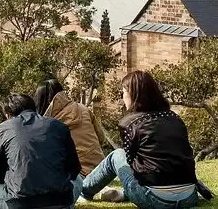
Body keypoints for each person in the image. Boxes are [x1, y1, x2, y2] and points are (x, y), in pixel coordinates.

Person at [80, 70, 199, 207]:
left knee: (117, 155)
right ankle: (125, 193)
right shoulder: (175, 118)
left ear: (133, 94)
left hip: (154, 199)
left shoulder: (129, 123)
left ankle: (84, 191)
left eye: (123, 92)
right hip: (189, 197)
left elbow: (131, 164)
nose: (122, 96)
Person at [0, 93, 82, 209]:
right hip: (60, 201)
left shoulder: (4, 128)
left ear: (8, 115)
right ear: (34, 108)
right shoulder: (58, 126)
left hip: (22, 203)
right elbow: (74, 168)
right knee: (79, 179)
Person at [34, 78, 106, 177]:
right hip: (101, 169)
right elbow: (101, 137)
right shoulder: (83, 108)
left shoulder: (48, 123)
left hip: (75, 176)